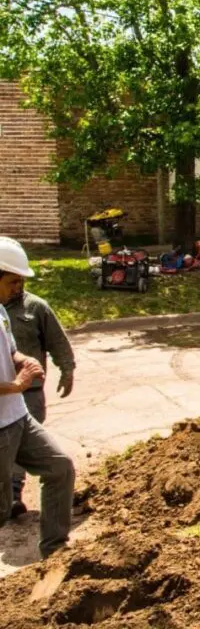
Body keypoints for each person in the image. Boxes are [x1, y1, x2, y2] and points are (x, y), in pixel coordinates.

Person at [0, 237, 74, 558]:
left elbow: (11, 351)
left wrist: (23, 361)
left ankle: (54, 554)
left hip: (19, 417)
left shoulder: (2, 313)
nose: (18, 288)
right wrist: (16, 384)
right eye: (13, 281)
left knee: (60, 467)